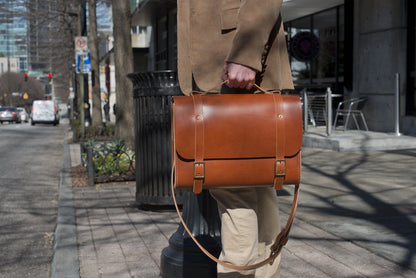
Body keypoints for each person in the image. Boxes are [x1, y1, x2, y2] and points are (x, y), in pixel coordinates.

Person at [177, 0, 293, 277]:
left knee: (232, 186)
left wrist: (245, 54)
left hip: (234, 60)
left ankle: (237, 272)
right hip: (226, 64)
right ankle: (263, 273)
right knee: (257, 182)